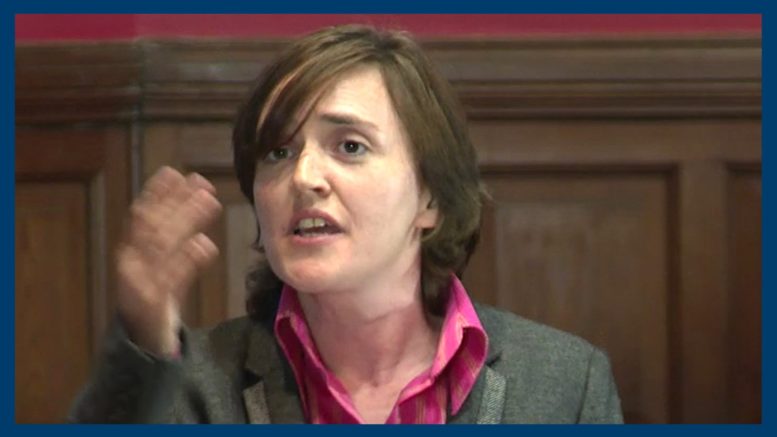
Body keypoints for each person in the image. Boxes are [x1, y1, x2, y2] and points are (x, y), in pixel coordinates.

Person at [69, 24, 623, 424]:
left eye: (350, 146)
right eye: (279, 152)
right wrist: (144, 338)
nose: (304, 177)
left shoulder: (566, 385)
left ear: (430, 198)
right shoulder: (193, 386)